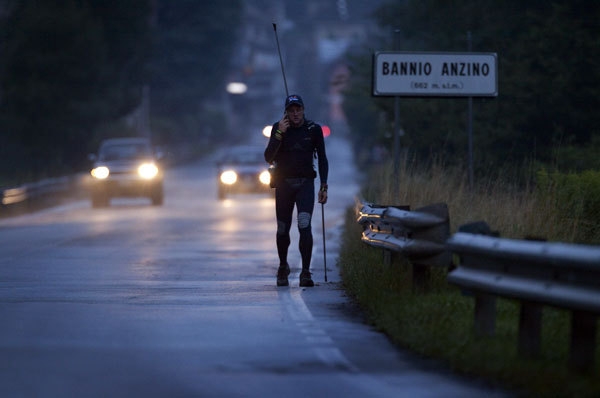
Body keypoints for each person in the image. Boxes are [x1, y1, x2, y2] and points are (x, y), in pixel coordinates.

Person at [264, 94, 329, 287]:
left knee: (304, 225)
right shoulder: (278, 128)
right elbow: (268, 157)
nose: (295, 114)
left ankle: (306, 272)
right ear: (286, 113)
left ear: (303, 110)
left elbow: (323, 159)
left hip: (305, 184)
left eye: (298, 110)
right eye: (291, 111)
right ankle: (283, 266)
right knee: (283, 229)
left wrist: (324, 185)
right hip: (283, 184)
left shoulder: (313, 129)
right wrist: (279, 134)